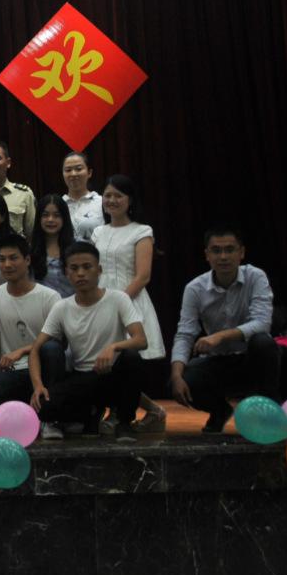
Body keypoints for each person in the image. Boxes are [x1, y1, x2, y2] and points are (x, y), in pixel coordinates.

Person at [28, 242, 148, 439]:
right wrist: (38, 386)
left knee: (131, 357)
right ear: (66, 273)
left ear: (98, 270)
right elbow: (35, 349)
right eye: (74, 268)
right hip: (82, 377)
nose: (81, 273)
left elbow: (141, 340)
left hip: (112, 376)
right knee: (43, 407)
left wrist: (114, 347)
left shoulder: (118, 299)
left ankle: (124, 422)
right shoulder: (62, 307)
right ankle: (90, 413)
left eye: (87, 267)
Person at [169, 227, 281, 433]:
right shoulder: (195, 288)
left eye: (230, 250)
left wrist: (220, 336)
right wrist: (176, 376)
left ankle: (269, 414)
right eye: (216, 250)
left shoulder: (255, 276)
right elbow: (185, 334)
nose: (223, 257)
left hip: (252, 360)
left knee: (263, 342)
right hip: (219, 363)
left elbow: (262, 323)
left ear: (241, 252)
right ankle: (220, 410)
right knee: (182, 378)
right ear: (207, 255)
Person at [91, 175, 167, 431]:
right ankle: (153, 410)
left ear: (130, 200)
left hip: (131, 301)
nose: (112, 200)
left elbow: (143, 276)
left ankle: (120, 414)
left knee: (125, 362)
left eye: (118, 196)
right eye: (107, 195)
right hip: (101, 302)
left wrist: (118, 303)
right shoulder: (98, 232)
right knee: (104, 363)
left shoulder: (142, 231)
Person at [0, 237, 62, 415]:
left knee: (52, 348)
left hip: (44, 369)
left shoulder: (49, 296)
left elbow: (57, 340)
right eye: (2, 259)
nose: (7, 264)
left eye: (13, 258)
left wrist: (21, 351)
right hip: (12, 371)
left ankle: (51, 416)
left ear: (27, 260)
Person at [30, 194, 77, 297]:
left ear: (64, 218)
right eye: (45, 215)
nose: (50, 219)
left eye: (56, 215)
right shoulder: (30, 251)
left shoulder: (77, 248)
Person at [62, 152, 104, 242]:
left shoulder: (102, 202)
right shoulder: (59, 205)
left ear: (89, 172)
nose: (73, 174)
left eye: (78, 169)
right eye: (68, 170)